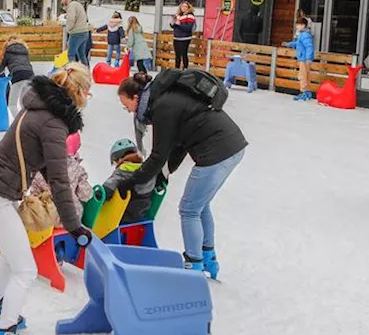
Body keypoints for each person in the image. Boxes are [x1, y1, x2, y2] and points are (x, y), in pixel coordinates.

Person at [0, 64, 92, 335]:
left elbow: (52, 174)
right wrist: (74, 225)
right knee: (26, 270)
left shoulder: (38, 107)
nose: (88, 97)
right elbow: (61, 181)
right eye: (87, 91)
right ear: (76, 93)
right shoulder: (52, 123)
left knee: (13, 260)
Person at [115, 69, 246, 277]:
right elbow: (177, 146)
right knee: (200, 206)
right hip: (231, 145)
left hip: (218, 151)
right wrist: (164, 175)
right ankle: (209, 259)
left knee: (189, 209)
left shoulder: (162, 107)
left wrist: (131, 181)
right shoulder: (167, 99)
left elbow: (158, 155)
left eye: (126, 105)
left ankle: (194, 263)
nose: (129, 111)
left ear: (136, 97)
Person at [101, 138, 159, 225]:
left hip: (123, 214)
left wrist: (96, 196)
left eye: (116, 161)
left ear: (119, 159)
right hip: (141, 214)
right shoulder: (147, 171)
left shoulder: (123, 170)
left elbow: (107, 190)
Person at [27, 131, 91, 206]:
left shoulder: (39, 166)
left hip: (43, 213)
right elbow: (85, 195)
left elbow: (34, 193)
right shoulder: (77, 170)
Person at [0, 34, 35, 112]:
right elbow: (22, 64)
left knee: (12, 105)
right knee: (24, 103)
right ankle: (27, 120)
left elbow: (0, 68)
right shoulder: (24, 50)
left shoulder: (8, 51)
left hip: (18, 76)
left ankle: (18, 122)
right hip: (30, 75)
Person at [283, 16, 316, 100]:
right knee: (306, 76)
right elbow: (298, 43)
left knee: (302, 76)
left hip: (304, 59)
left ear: (303, 25)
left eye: (299, 24)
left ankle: (303, 92)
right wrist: (289, 44)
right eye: (297, 24)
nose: (297, 26)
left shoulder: (305, 35)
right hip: (304, 58)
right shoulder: (303, 34)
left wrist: (308, 58)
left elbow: (309, 47)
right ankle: (307, 92)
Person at [63, 0, 91, 66]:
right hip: (84, 32)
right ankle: (86, 71)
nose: (62, 2)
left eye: (62, 0)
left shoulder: (71, 5)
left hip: (76, 32)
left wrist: (68, 29)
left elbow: (71, 19)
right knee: (82, 54)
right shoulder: (78, 4)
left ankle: (72, 72)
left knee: (70, 54)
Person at [170, 1, 196, 69]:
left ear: (188, 8)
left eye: (185, 6)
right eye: (182, 6)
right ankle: (176, 69)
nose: (184, 8)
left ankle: (185, 69)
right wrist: (173, 22)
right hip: (176, 37)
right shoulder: (179, 15)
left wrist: (179, 24)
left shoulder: (190, 15)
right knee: (177, 55)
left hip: (185, 38)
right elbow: (173, 26)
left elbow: (188, 28)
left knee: (184, 54)